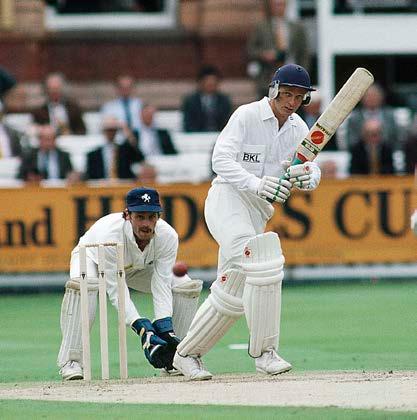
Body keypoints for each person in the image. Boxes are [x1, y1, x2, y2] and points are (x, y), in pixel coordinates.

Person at [172, 64, 322, 380]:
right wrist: (256, 183)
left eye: (299, 97)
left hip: (257, 212)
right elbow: (220, 160)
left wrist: (310, 177)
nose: (292, 102)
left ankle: (186, 355)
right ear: (274, 90)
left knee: (232, 288)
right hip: (227, 200)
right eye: (287, 94)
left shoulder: (298, 127)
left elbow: (307, 165)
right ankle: (266, 353)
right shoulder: (247, 115)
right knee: (262, 262)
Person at [57, 186, 203, 380]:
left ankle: (176, 357)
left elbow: (161, 282)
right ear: (127, 215)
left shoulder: (168, 236)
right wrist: (141, 326)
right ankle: (71, 361)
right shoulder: (109, 236)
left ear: (158, 217)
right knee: (84, 287)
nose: (146, 224)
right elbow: (116, 288)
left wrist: (164, 326)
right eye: (140, 217)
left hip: (136, 267)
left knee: (184, 284)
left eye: (151, 217)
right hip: (92, 258)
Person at [247, 0, 310, 98]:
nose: (279, 8)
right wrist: (263, 55)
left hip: (292, 74)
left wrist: (302, 73)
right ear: (271, 6)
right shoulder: (261, 27)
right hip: (268, 76)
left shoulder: (296, 28)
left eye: (281, 5)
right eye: (276, 5)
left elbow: (304, 53)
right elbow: (250, 50)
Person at [85, 116, 144, 180]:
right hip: (101, 184)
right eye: (108, 130)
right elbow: (89, 177)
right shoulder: (93, 155)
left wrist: (126, 131)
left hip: (123, 184)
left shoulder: (125, 151)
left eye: (113, 130)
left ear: (117, 131)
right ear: (103, 131)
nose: (110, 133)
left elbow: (140, 158)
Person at [345, 83, 399, 151]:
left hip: (385, 153)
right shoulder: (354, 118)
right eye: (368, 96)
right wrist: (365, 135)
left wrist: (379, 137)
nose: (372, 99)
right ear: (362, 98)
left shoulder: (389, 115)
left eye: (375, 96)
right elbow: (350, 141)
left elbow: (395, 139)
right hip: (361, 154)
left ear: (381, 97)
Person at [182, 65, 232, 133]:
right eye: (208, 81)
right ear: (200, 82)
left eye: (213, 81)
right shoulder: (190, 101)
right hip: (197, 135)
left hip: (219, 134)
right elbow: (188, 123)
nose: (211, 84)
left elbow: (227, 122)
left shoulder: (224, 100)